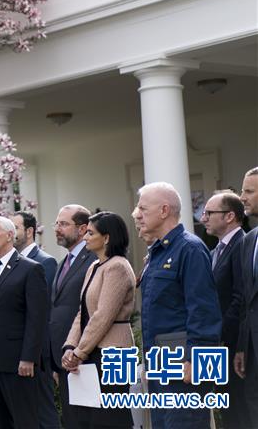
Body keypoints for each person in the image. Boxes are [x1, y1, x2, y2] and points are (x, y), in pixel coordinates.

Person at [134, 182, 221, 429]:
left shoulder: (190, 249)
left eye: (143, 208)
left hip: (184, 368)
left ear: (164, 211)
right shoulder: (158, 252)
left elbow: (203, 310)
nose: (136, 214)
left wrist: (196, 360)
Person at [61, 211, 136, 428]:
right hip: (93, 350)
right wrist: (70, 346)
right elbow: (82, 311)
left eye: (90, 233)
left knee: (111, 418)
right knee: (90, 418)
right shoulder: (94, 266)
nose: (84, 237)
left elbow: (103, 316)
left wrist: (79, 352)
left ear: (107, 238)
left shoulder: (118, 266)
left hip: (114, 352)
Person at [0, 216, 49, 429]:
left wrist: (29, 357)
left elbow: (37, 319)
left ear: (9, 235)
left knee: (25, 422)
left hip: (18, 363)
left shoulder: (30, 269)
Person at [202, 191, 249, 428]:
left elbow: (241, 298)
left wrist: (219, 334)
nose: (203, 218)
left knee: (239, 412)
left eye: (209, 213)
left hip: (234, 345)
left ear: (229, 216)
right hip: (220, 344)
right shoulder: (215, 251)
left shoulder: (243, 244)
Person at [11, 211, 59, 429]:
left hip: (37, 354)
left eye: (15, 228)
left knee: (43, 413)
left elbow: (41, 312)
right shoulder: (11, 263)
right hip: (15, 351)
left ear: (29, 231)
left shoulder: (44, 262)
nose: (11, 232)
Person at [48, 204, 95, 429]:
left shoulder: (94, 258)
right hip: (64, 358)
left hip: (85, 357)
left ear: (82, 228)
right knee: (72, 420)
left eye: (64, 224)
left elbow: (91, 309)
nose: (57, 229)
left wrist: (80, 350)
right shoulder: (62, 263)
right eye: (57, 223)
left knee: (90, 421)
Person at [235, 167, 258, 425]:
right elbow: (245, 299)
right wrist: (242, 346)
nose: (242, 197)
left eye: (249, 191)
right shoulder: (249, 240)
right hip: (252, 352)